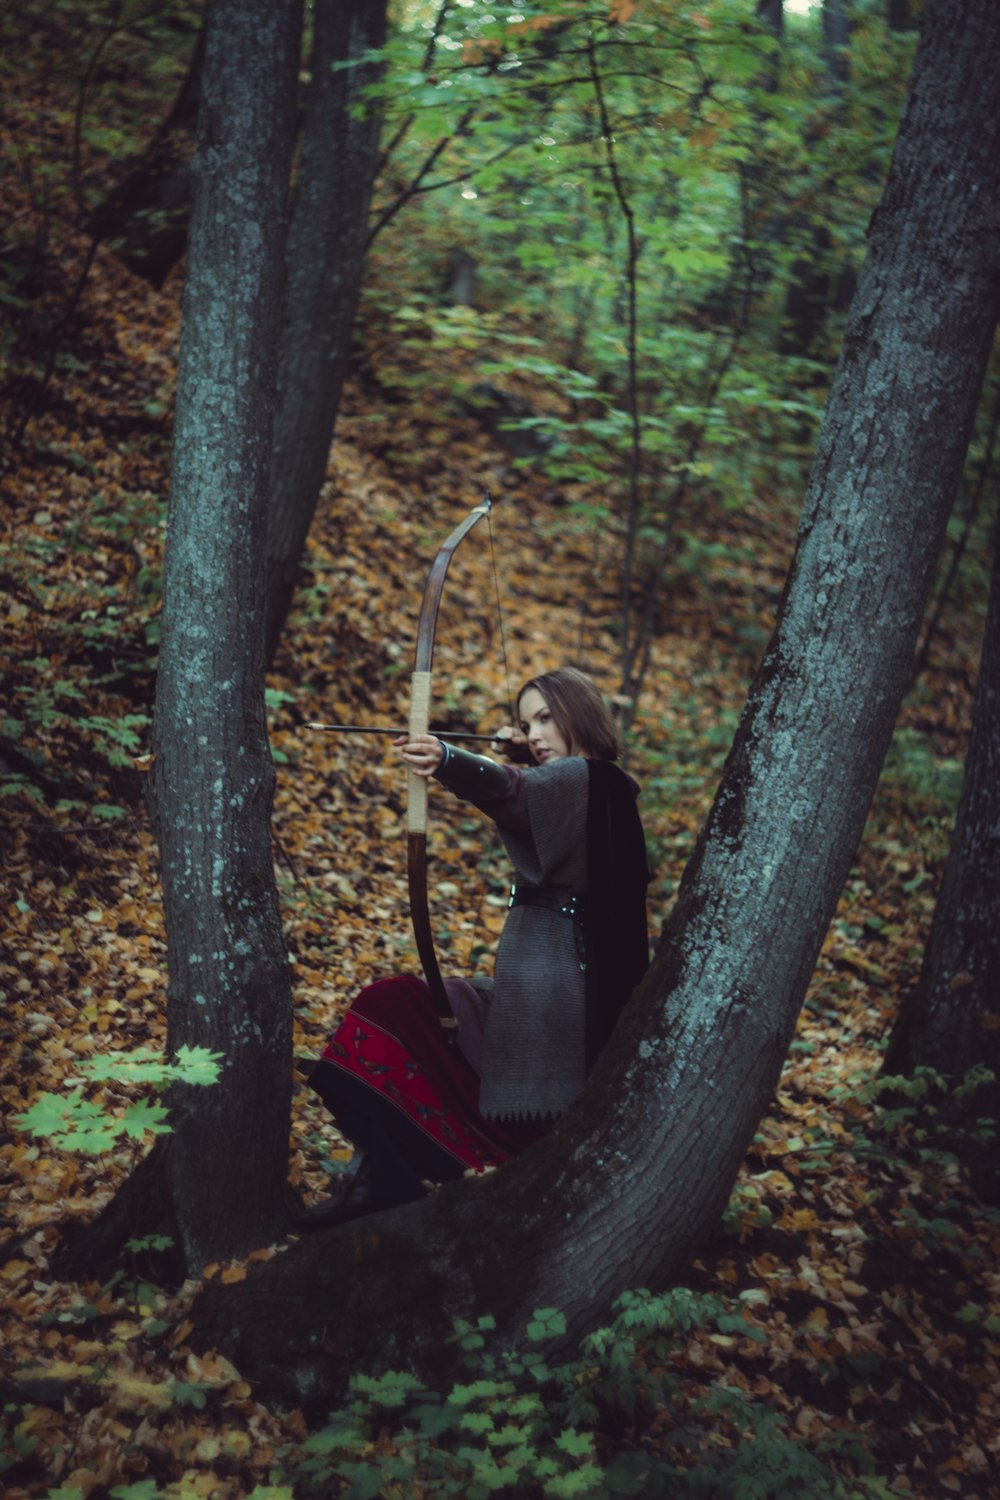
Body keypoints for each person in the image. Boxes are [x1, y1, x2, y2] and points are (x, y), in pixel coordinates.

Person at [298, 667, 649, 1229]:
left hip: (557, 1001)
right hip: (543, 991)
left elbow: (511, 792)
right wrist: (508, 762)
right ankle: (383, 1178)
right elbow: (525, 788)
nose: (533, 731)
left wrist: (449, 760)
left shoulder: (585, 778)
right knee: (397, 1004)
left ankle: (388, 1181)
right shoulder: (587, 786)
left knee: (397, 1007)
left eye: (545, 718)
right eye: (525, 721)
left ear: (578, 714)